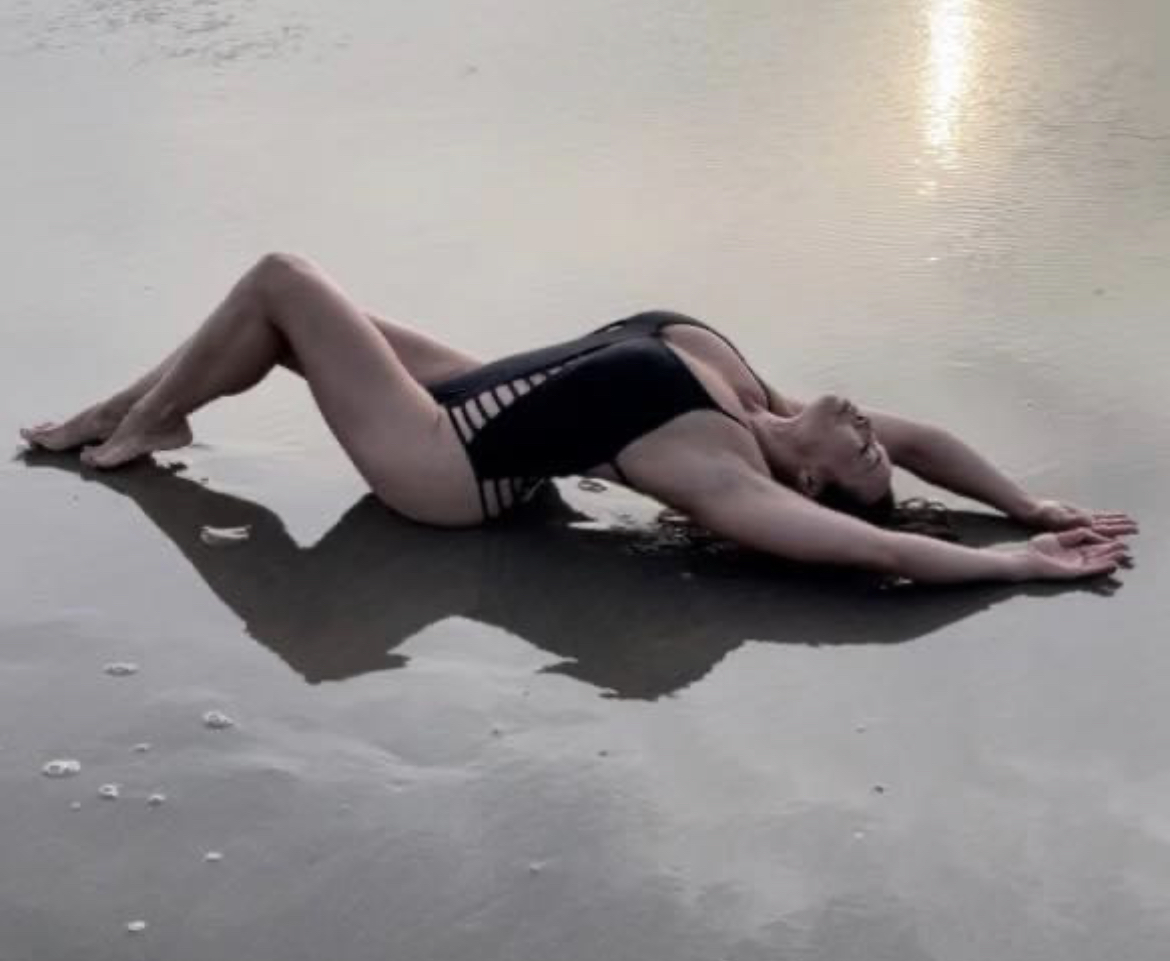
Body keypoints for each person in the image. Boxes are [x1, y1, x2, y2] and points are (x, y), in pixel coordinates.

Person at [20, 252, 1137, 585]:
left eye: (865, 452)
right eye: (874, 441)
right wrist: (1022, 500)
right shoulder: (771, 405)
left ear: (805, 481)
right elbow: (930, 451)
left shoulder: (724, 467)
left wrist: (1020, 564)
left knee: (282, 284)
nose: (874, 432)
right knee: (315, 313)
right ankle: (119, 414)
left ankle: (140, 423)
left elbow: (876, 539)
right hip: (484, 396)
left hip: (448, 470)